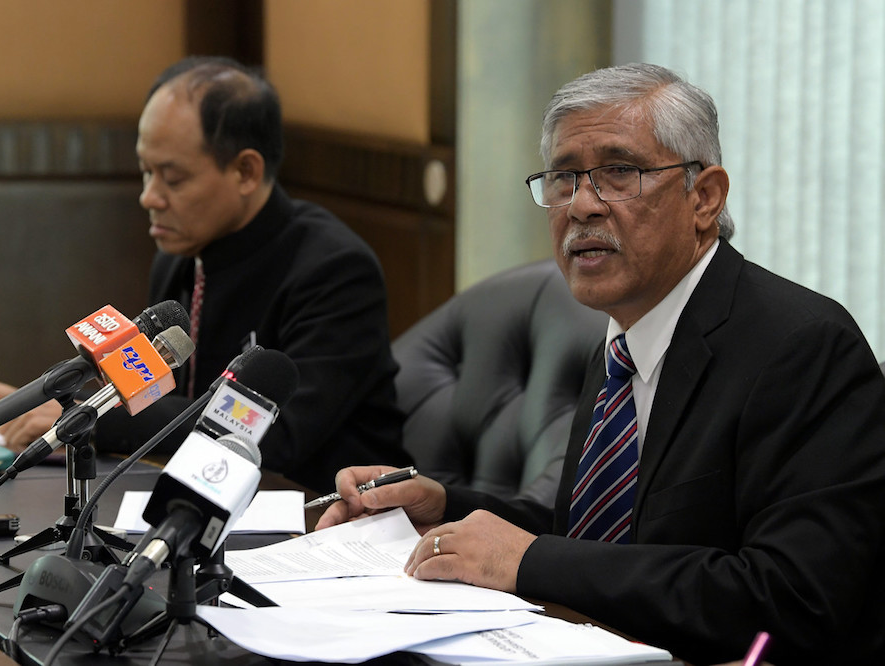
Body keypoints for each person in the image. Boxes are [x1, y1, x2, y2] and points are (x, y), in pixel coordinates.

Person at [315, 63, 885, 664]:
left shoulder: (804, 348)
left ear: (705, 197)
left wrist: (530, 561)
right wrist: (444, 508)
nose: (582, 205)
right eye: (564, 178)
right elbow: (595, 536)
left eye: (620, 172)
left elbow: (791, 600)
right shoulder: (621, 339)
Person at [0, 56, 412, 493]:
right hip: (190, 496)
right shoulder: (181, 253)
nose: (149, 196)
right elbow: (147, 392)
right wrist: (38, 406)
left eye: (173, 178)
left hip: (318, 519)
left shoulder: (335, 270)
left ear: (246, 171)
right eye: (146, 172)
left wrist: (91, 416)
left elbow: (275, 436)